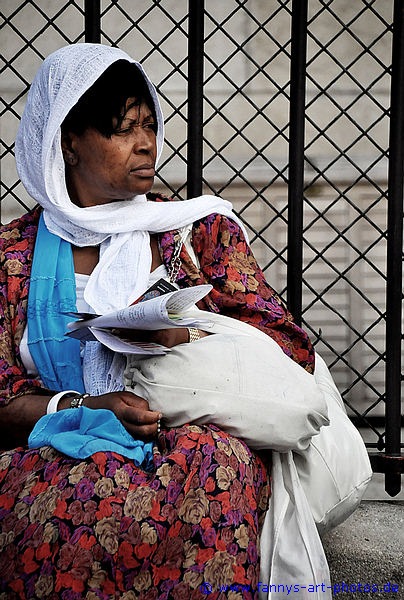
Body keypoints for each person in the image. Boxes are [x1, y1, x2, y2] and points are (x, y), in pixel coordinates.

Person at [0, 43, 366, 600]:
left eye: (149, 123)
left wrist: (189, 334)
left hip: (187, 443)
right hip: (53, 446)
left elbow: (288, 345)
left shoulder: (197, 233)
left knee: (212, 472)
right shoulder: (12, 258)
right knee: (37, 502)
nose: (146, 142)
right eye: (123, 128)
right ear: (68, 142)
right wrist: (82, 408)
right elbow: (2, 399)